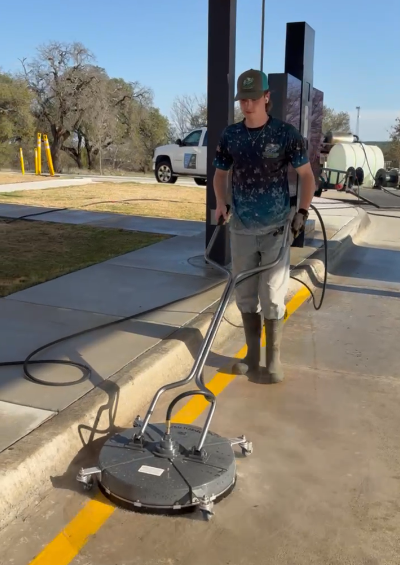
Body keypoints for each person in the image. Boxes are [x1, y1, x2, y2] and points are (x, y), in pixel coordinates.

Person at [212, 68, 316, 384]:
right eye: (243, 100)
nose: (247, 106)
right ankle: (251, 356)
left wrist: (302, 212)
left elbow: (307, 176)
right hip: (241, 227)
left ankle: (273, 360)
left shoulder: (286, 135)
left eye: (253, 99)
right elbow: (220, 175)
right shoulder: (231, 135)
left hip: (275, 229)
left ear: (267, 97)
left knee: (272, 294)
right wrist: (221, 203)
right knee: (245, 295)